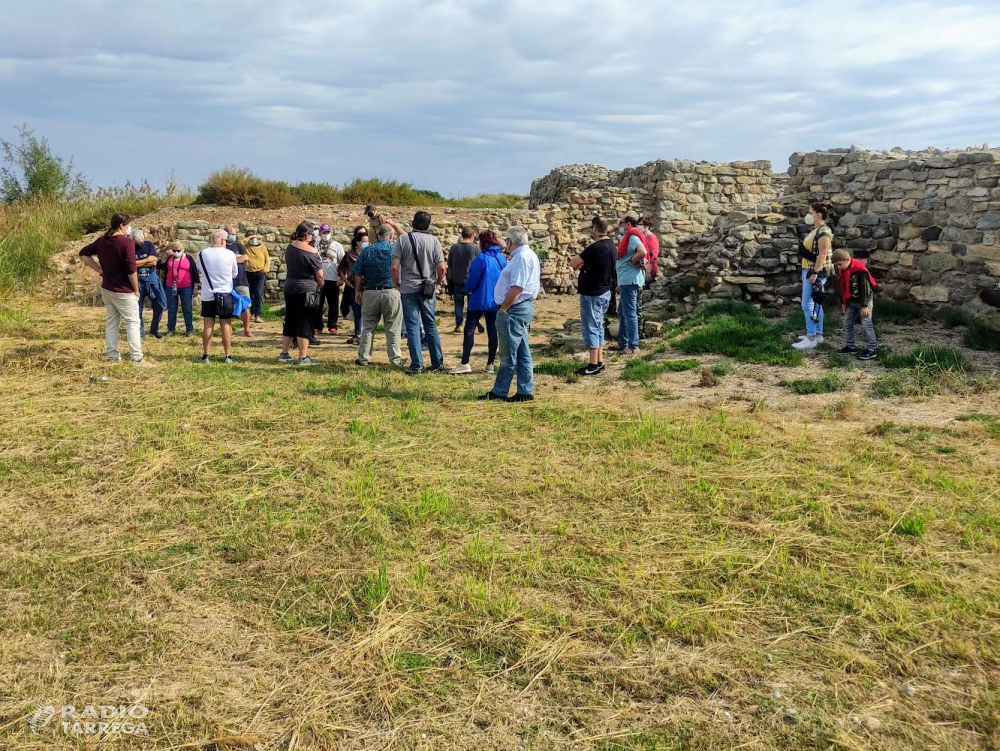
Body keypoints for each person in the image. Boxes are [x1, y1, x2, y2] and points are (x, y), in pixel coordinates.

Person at [78, 212, 151, 367]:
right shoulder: (126, 243)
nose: (129, 228)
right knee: (132, 323)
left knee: (112, 322)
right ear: (121, 226)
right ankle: (137, 358)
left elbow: (83, 253)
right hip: (124, 290)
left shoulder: (102, 240)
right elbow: (131, 270)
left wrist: (99, 270)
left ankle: (112, 356)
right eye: (128, 225)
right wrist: (136, 289)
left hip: (107, 288)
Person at [479, 226, 540, 402]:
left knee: (508, 354)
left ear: (510, 242)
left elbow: (517, 288)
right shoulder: (528, 255)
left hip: (514, 310)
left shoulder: (521, 258)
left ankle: (500, 391)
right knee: (522, 352)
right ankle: (524, 390)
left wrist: (504, 308)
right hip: (519, 308)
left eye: (506, 240)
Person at [391, 211, 446, 374]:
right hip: (427, 288)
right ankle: (437, 363)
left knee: (413, 326)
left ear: (413, 223)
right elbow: (441, 267)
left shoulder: (403, 240)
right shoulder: (434, 241)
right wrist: (437, 282)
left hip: (408, 287)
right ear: (428, 225)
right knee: (430, 324)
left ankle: (417, 364)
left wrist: (397, 284)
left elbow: (395, 266)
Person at [449, 230, 507, 375]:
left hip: (479, 300)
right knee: (492, 332)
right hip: (495, 301)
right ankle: (491, 364)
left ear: (482, 242)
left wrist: (467, 287)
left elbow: (472, 281)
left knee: (469, 330)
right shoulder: (501, 258)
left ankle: (465, 362)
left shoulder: (481, 259)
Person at [569, 216, 616, 376]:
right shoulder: (611, 246)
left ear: (595, 229)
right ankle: (599, 360)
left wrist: (582, 264)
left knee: (591, 327)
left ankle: (593, 363)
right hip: (603, 291)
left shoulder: (596, 247)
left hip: (593, 293)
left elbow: (573, 262)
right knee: (598, 326)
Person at [353, 224, 404, 367]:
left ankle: (364, 358)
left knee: (368, 327)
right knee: (393, 327)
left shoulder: (367, 250)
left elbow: (357, 272)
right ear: (391, 236)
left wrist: (357, 290)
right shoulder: (395, 250)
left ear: (377, 235)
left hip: (370, 292)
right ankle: (395, 359)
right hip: (391, 291)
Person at [793, 202, 837, 350]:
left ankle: (811, 338)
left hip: (815, 271)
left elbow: (823, 254)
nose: (808, 215)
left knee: (807, 304)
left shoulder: (824, 231)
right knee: (816, 303)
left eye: (810, 212)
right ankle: (817, 335)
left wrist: (815, 272)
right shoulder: (816, 229)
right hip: (810, 268)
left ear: (818, 215)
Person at [279, 221, 323, 366]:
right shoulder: (311, 252)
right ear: (306, 236)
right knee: (305, 321)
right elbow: (319, 274)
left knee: (290, 319)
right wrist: (320, 284)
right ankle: (303, 357)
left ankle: (284, 353)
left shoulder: (290, 248)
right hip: (307, 289)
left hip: (290, 287)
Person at [197, 229, 239, 364]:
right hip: (225, 292)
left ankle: (206, 355)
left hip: (208, 293)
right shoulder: (230, 254)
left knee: (208, 324)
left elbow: (201, 270)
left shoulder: (201, 254)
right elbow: (234, 274)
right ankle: (228, 355)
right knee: (225, 324)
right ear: (222, 241)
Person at [609, 211, 647, 355]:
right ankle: (623, 343)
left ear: (628, 224)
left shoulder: (631, 237)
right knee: (623, 312)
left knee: (630, 312)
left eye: (621, 223)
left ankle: (633, 345)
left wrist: (632, 261)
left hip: (630, 280)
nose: (620, 226)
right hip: (627, 279)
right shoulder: (631, 236)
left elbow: (642, 251)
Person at [833, 248, 878, 360]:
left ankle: (872, 349)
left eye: (839, 264)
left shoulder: (860, 270)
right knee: (847, 323)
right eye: (836, 265)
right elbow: (844, 287)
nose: (838, 267)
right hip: (851, 301)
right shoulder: (843, 270)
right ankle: (850, 345)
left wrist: (864, 305)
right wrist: (844, 303)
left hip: (863, 301)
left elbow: (865, 288)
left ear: (847, 259)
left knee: (867, 324)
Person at [131, 230, 166, 340]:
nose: (140, 244)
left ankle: (154, 329)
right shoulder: (130, 248)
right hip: (137, 281)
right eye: (138, 243)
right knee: (138, 309)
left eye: (141, 242)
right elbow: (129, 264)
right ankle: (140, 333)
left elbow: (154, 261)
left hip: (152, 280)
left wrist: (137, 263)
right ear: (133, 241)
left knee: (160, 305)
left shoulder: (149, 244)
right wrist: (146, 261)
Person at [447, 226, 483, 333]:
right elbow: (480, 265)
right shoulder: (476, 248)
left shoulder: (454, 248)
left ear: (462, 235)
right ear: (472, 236)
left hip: (457, 281)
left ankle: (459, 325)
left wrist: (450, 282)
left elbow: (450, 266)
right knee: (472, 304)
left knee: (458, 304)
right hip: (471, 282)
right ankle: (473, 322)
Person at [162, 240, 199, 336]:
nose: (176, 252)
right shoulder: (170, 258)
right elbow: (160, 266)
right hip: (170, 286)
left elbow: (195, 273)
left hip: (186, 287)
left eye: (178, 250)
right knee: (172, 308)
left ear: (183, 249)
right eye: (174, 250)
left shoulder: (189, 258)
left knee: (187, 308)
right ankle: (171, 329)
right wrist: (165, 257)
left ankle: (189, 329)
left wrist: (195, 287)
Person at [315, 223, 345, 334]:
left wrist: (342, 279)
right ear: (320, 233)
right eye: (324, 232)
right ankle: (317, 325)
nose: (326, 234)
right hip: (319, 280)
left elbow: (343, 262)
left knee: (333, 304)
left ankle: (333, 325)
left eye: (328, 232)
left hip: (333, 279)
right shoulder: (315, 245)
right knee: (318, 304)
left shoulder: (337, 245)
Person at [339, 227, 366, 344]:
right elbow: (340, 269)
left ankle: (365, 334)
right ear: (358, 243)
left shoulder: (369, 254)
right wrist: (346, 280)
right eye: (364, 241)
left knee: (366, 311)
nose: (366, 244)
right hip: (353, 287)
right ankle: (358, 334)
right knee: (356, 310)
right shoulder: (349, 255)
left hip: (366, 286)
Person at [225, 224, 253, 338]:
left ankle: (247, 329)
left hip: (241, 281)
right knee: (227, 307)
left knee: (245, 306)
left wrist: (230, 260)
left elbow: (245, 258)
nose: (234, 236)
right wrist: (237, 259)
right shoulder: (221, 247)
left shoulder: (239, 245)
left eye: (235, 234)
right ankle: (228, 330)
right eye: (231, 234)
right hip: (227, 282)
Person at [244, 229, 270, 323]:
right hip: (248, 272)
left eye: (254, 237)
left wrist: (265, 269)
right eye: (251, 238)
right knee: (250, 293)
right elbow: (240, 243)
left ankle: (257, 314)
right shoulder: (245, 247)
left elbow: (267, 259)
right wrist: (248, 238)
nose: (253, 239)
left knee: (258, 293)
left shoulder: (262, 247)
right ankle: (252, 312)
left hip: (260, 273)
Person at [639, 216, 660, 290]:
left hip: (648, 271)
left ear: (647, 226)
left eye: (641, 224)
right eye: (639, 224)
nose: (640, 226)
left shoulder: (651, 237)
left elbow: (653, 255)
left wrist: (648, 270)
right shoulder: (642, 236)